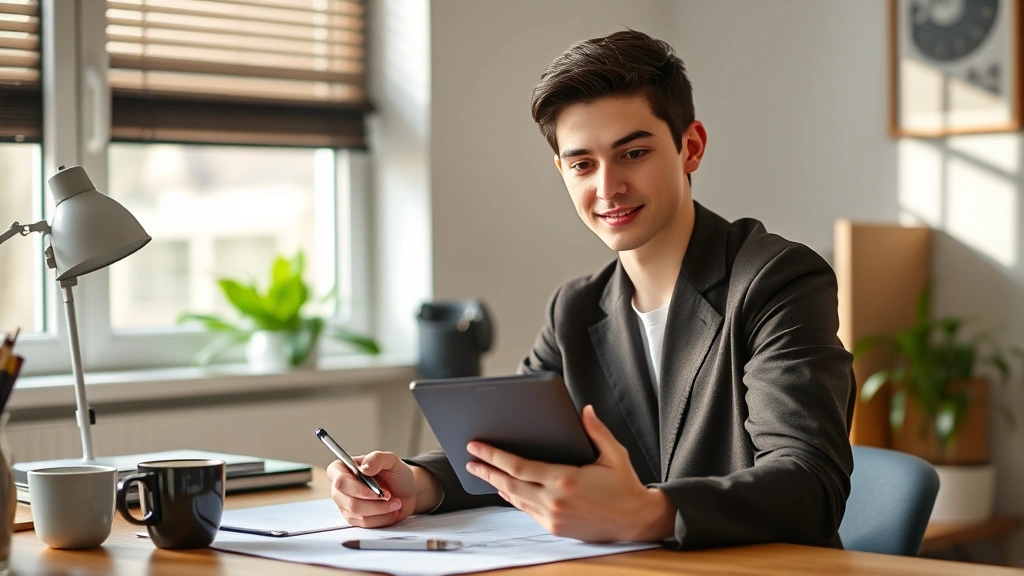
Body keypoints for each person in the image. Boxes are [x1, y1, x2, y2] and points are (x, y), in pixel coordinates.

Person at [328, 29, 855, 550]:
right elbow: (512, 448)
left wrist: (649, 512)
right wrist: (417, 485)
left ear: (690, 147)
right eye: (582, 164)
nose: (607, 188)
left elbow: (809, 483)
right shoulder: (575, 309)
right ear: (562, 171)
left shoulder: (777, 279)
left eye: (633, 154)